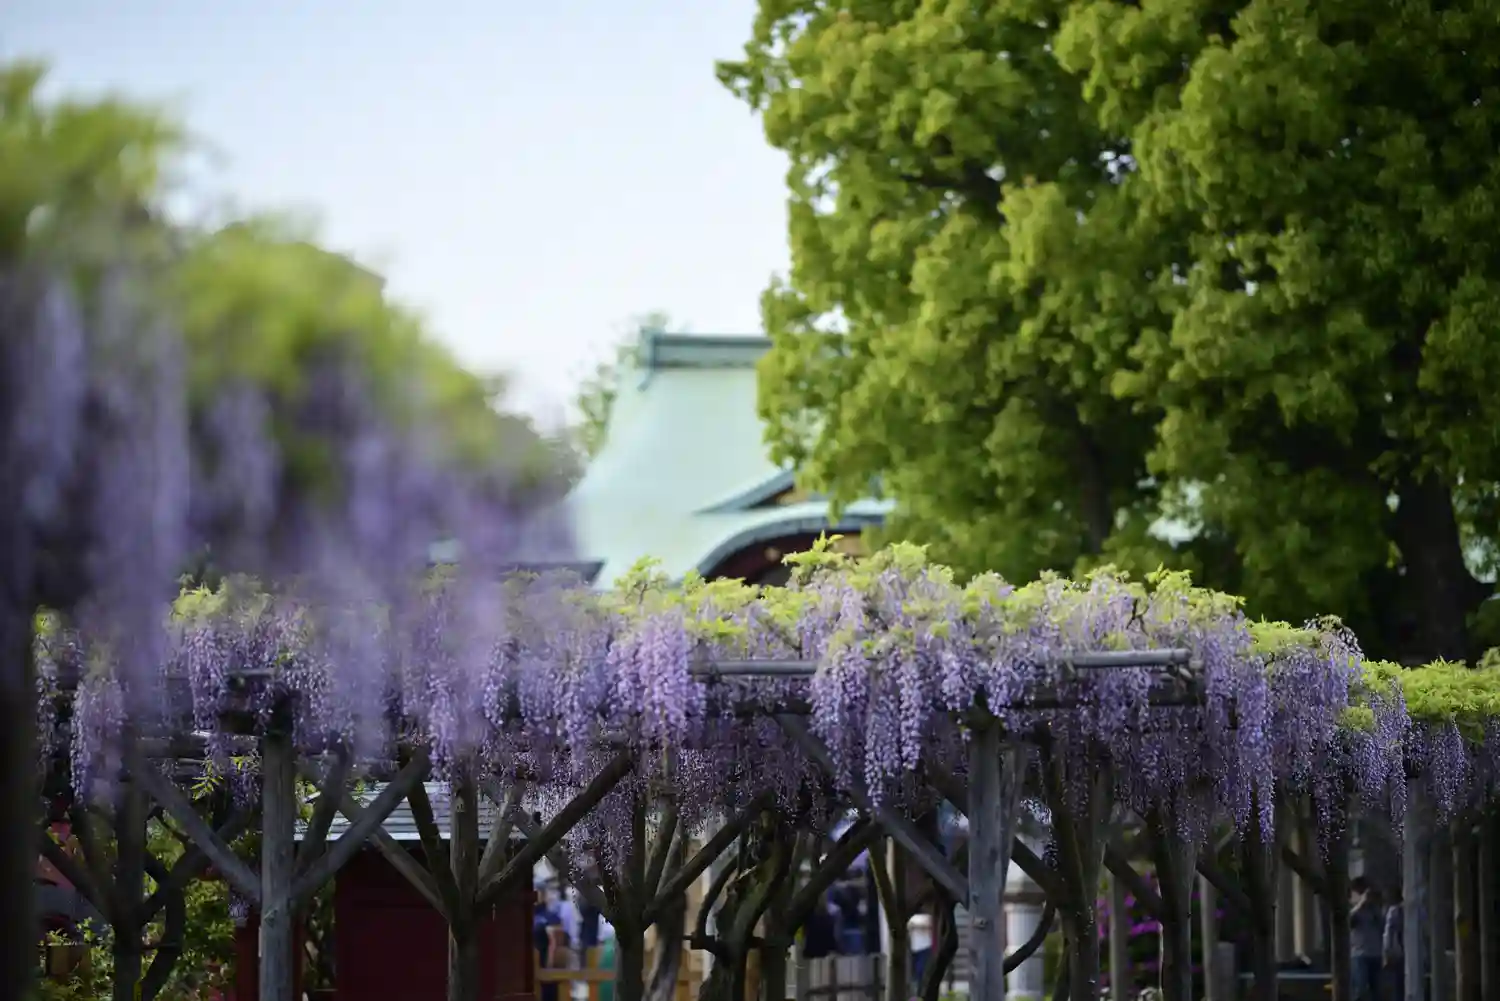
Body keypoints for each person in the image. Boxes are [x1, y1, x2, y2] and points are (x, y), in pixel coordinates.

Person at [1350, 878, 1384, 1001]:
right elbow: (1349, 921)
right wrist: (1361, 903)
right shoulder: (1354, 909)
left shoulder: (1374, 910)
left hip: (1375, 953)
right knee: (1360, 989)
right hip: (1359, 955)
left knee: (1377, 991)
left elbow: (1382, 926)